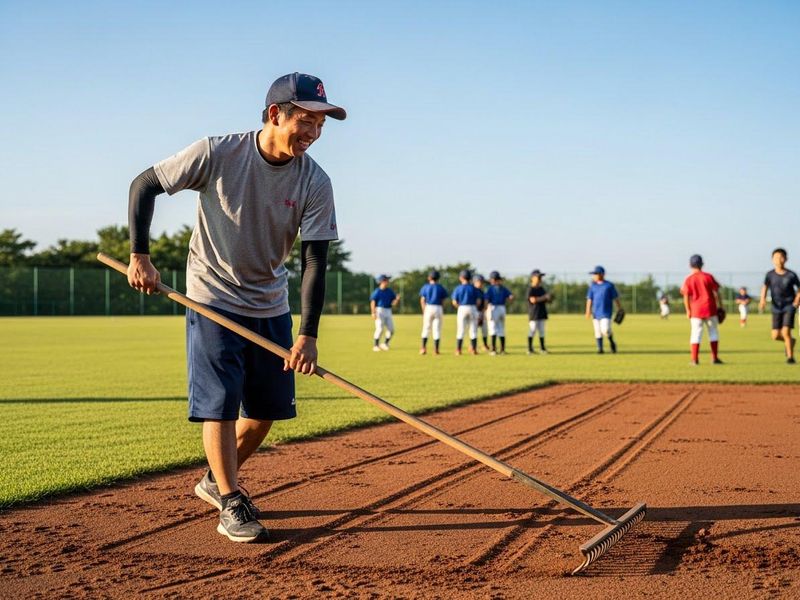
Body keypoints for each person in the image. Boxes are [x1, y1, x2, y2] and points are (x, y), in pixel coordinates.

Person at [126, 72, 346, 542]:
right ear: (275, 114)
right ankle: (230, 499)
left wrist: (307, 333)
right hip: (210, 295)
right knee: (220, 404)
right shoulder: (217, 152)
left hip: (269, 302)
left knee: (266, 409)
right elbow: (145, 184)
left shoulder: (315, 181)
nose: (313, 132)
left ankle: (213, 479)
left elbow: (315, 260)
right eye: (305, 120)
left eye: (321, 124)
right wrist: (139, 256)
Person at [759, 248, 800, 364]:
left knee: (786, 332)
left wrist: (797, 300)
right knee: (776, 335)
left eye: (781, 257)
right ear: (772, 259)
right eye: (776, 257)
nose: (779, 260)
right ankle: (791, 342)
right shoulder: (770, 275)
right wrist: (762, 300)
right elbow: (765, 287)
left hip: (789, 306)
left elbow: (799, 289)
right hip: (776, 307)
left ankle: (790, 357)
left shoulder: (791, 275)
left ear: (786, 259)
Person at [680, 254, 723, 365]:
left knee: (696, 334)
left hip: (696, 310)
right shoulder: (708, 277)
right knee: (713, 332)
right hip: (710, 308)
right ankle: (714, 358)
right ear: (702, 264)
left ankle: (694, 359)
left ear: (690, 265)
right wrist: (721, 306)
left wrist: (688, 310)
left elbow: (686, 296)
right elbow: (716, 293)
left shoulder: (689, 279)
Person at [585, 266, 623, 354]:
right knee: (597, 331)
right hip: (596, 312)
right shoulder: (593, 286)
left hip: (606, 312)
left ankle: (611, 342)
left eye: (595, 274)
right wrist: (588, 310)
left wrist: (620, 308)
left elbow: (615, 298)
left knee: (605, 330)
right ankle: (600, 349)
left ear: (601, 274)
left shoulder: (609, 285)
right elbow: (589, 299)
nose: (594, 276)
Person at [419, 270, 449, 355]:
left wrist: (424, 310)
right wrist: (441, 309)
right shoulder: (440, 287)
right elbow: (443, 300)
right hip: (438, 307)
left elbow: (422, 300)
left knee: (426, 328)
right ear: (438, 278)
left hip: (428, 307)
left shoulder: (426, 287)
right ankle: (436, 350)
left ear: (429, 278)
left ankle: (423, 348)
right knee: (437, 329)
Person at [451, 269, 480, 355]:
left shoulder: (458, 288)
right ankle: (474, 350)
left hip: (462, 307)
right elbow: (478, 301)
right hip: (473, 307)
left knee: (461, 330)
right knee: (473, 330)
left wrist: (459, 307)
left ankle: (458, 350)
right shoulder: (473, 288)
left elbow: (454, 302)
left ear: (461, 278)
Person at [485, 271, 514, 355]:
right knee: (501, 329)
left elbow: (486, 299)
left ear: (493, 279)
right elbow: (511, 297)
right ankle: (502, 350)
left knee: (492, 328)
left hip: (493, 308)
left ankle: (493, 349)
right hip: (502, 308)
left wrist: (485, 309)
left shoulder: (490, 288)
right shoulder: (503, 288)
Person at [370, 275, 399, 351]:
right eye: (386, 280)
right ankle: (376, 345)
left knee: (391, 329)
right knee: (379, 329)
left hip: (388, 310)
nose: (387, 282)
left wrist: (397, 300)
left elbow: (393, 303)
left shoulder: (389, 291)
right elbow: (373, 302)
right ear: (381, 281)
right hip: (379, 310)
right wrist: (373, 312)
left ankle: (385, 344)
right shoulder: (377, 291)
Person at [526, 269, 551, 354]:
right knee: (532, 330)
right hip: (534, 313)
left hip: (542, 312)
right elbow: (532, 300)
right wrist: (544, 297)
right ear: (533, 278)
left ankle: (542, 348)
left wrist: (549, 298)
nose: (540, 279)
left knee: (542, 331)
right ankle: (529, 348)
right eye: (538, 277)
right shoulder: (531, 289)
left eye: (540, 277)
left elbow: (546, 299)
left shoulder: (541, 288)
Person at [473, 274, 490, 350]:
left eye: (482, 282)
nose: (482, 284)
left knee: (484, 330)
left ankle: (485, 345)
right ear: (475, 282)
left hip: (482, 312)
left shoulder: (482, 291)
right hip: (474, 312)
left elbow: (485, 303)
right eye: (480, 282)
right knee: (473, 330)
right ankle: (473, 346)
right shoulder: (473, 291)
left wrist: (483, 312)